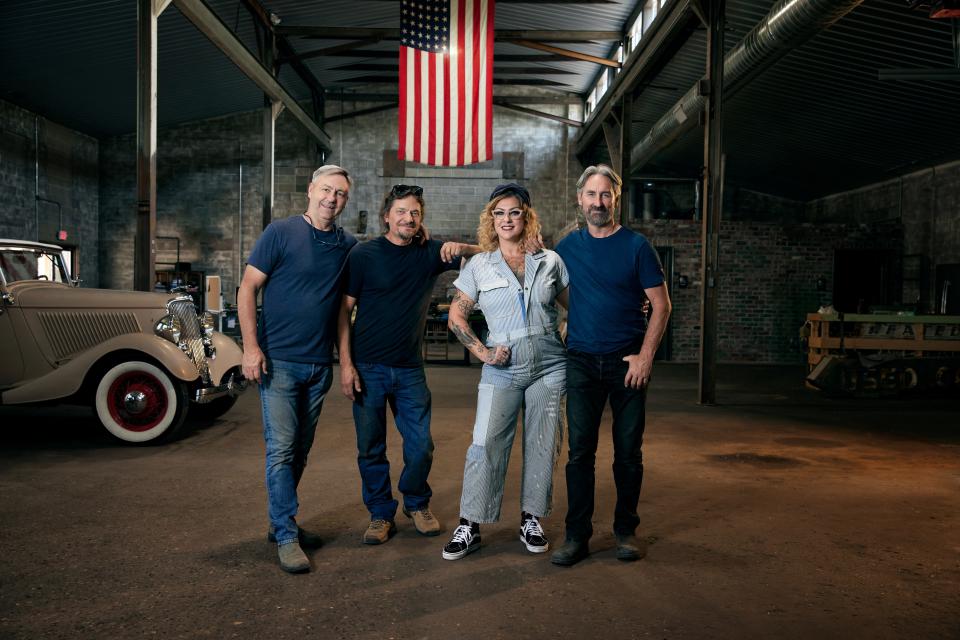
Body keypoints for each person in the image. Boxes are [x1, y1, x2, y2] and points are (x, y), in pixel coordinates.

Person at [337, 184, 480, 545]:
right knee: (371, 447)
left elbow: (492, 254)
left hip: (409, 369)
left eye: (415, 212)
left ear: (422, 219)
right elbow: (344, 310)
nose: (409, 218)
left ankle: (416, 503)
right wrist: (346, 364)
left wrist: (463, 248)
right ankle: (380, 514)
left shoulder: (430, 253)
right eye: (401, 211)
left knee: (420, 446)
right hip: (367, 367)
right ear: (387, 215)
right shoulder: (363, 255)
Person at [238, 164, 358, 573]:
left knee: (300, 451)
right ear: (311, 190)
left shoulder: (347, 244)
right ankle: (286, 534)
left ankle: (281, 520)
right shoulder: (280, 233)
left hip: (317, 365)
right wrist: (251, 348)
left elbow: (343, 312)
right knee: (282, 450)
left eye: (340, 193)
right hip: (279, 363)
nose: (332, 199)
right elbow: (247, 288)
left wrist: (345, 363)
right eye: (326, 190)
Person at [550, 164, 672, 566]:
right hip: (581, 361)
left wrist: (645, 356)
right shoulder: (567, 247)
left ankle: (625, 531)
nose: (598, 202)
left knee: (628, 453)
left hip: (626, 363)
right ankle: (576, 535)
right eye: (591, 194)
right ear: (580, 199)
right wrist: (579, 317)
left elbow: (661, 305)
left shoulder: (637, 247)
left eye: (605, 195)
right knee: (579, 453)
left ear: (615, 200)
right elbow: (565, 295)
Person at [441, 183, 569, 561]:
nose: (507, 219)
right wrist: (482, 352)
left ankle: (531, 518)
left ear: (526, 216)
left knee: (544, 443)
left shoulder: (549, 261)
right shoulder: (481, 265)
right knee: (485, 443)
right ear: (491, 219)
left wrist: (561, 338)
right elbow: (456, 316)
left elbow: (574, 308)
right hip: (503, 365)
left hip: (550, 365)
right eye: (499, 213)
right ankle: (470, 523)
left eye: (514, 212)